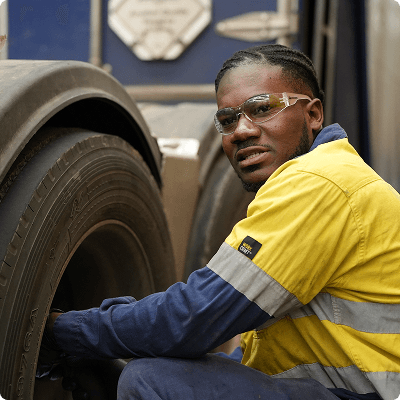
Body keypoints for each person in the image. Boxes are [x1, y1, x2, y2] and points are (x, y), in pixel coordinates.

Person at [38, 44, 400, 400]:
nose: (241, 131)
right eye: (228, 120)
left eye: (262, 108)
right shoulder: (327, 180)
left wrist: (59, 332)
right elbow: (253, 366)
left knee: (150, 380)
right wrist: (107, 364)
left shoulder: (319, 182)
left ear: (314, 114)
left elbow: (195, 318)